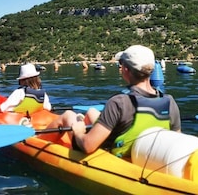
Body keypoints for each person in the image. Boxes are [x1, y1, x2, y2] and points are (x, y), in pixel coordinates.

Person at [45, 44, 181, 158]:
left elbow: (88, 146)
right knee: (92, 112)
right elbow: (175, 140)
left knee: (68, 115)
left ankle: (36, 143)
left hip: (112, 152)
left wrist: (79, 131)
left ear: (126, 69)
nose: (120, 67)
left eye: (121, 64)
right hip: (142, 152)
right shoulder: (169, 101)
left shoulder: (119, 102)